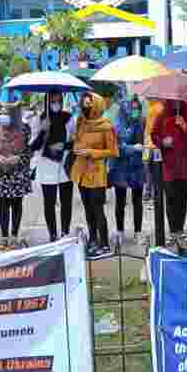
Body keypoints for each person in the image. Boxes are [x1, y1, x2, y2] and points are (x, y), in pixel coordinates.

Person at [70, 93, 118, 259]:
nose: (86, 107)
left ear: (97, 105)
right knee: (87, 209)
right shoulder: (81, 122)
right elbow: (77, 141)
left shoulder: (106, 126)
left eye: (89, 103)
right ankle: (92, 239)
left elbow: (113, 151)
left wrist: (92, 152)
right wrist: (76, 148)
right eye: (84, 104)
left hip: (97, 174)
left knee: (98, 210)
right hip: (81, 172)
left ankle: (104, 243)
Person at [30, 93, 75, 242]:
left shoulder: (69, 119)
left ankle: (65, 232)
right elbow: (33, 147)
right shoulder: (39, 119)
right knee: (49, 202)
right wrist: (43, 130)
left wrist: (64, 145)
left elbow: (76, 142)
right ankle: (53, 235)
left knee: (66, 201)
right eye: (53, 101)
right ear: (47, 101)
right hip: (46, 163)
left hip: (65, 163)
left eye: (59, 101)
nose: (56, 104)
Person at [0, 101, 32, 243]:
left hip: (18, 174)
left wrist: (18, 158)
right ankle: (4, 235)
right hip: (1, 174)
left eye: (6, 114)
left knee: (17, 204)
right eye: (2, 114)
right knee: (3, 206)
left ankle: (14, 234)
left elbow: (30, 151)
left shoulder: (23, 130)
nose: (3, 116)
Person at [152, 100, 187, 237]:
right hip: (169, 166)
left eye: (179, 101)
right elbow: (154, 134)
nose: (176, 103)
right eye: (174, 101)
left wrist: (185, 126)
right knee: (171, 199)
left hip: (186, 166)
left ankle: (180, 229)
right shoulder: (162, 115)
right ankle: (173, 231)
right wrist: (162, 142)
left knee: (182, 200)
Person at [109, 96, 146, 243]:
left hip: (136, 166)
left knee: (138, 200)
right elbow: (117, 146)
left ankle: (138, 232)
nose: (135, 111)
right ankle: (120, 231)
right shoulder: (117, 123)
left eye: (137, 108)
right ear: (125, 108)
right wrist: (132, 148)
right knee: (120, 201)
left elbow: (142, 141)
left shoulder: (139, 122)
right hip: (121, 166)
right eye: (133, 108)